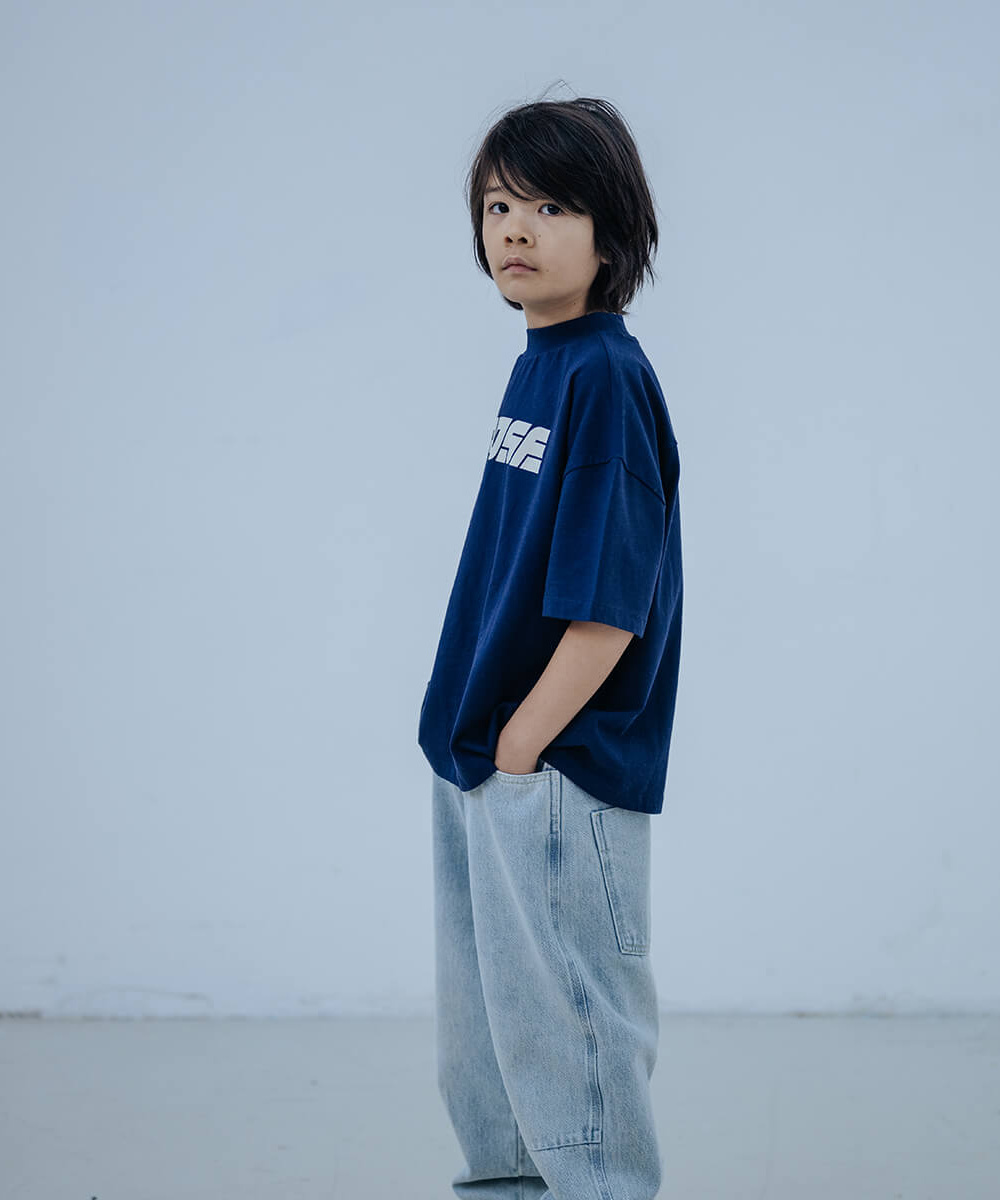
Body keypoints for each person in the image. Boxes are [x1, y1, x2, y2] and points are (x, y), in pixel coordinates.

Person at [417, 93, 683, 1200]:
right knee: (490, 1047)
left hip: (556, 769)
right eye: (497, 205)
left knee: (573, 1039)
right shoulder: (544, 362)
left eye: (552, 206)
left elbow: (610, 606)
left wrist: (525, 747)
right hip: (486, 760)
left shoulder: (605, 378)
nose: (516, 229)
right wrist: (487, 750)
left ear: (611, 235)